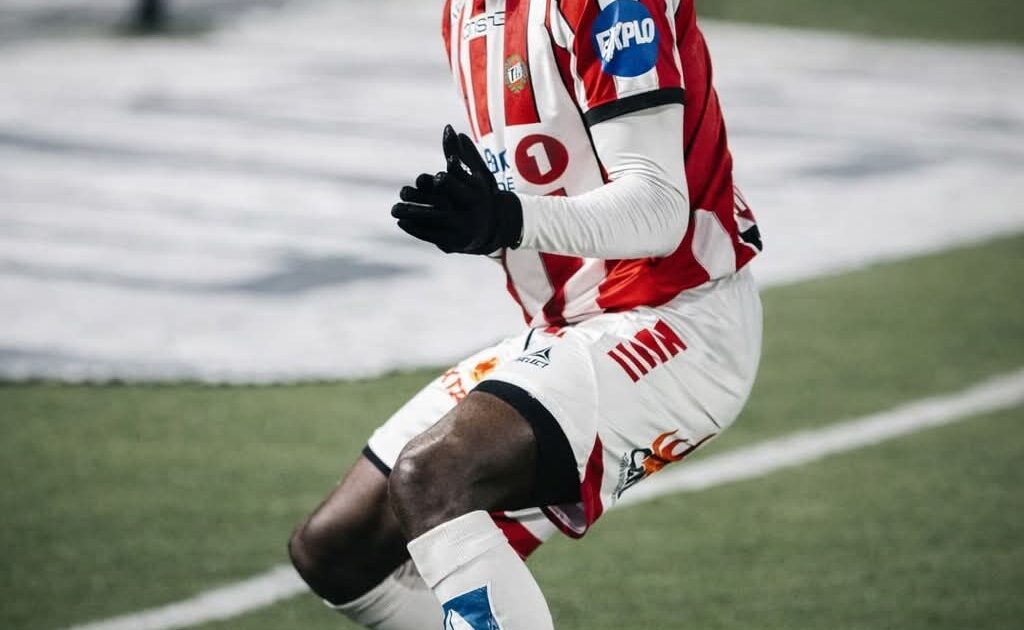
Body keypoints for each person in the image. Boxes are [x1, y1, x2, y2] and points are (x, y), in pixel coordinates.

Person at [288, 0, 763, 627]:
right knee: (338, 551)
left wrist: (507, 219)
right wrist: (478, 225)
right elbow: (548, 188)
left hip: (679, 318)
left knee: (436, 473)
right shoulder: (464, 12)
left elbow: (658, 208)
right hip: (568, 327)